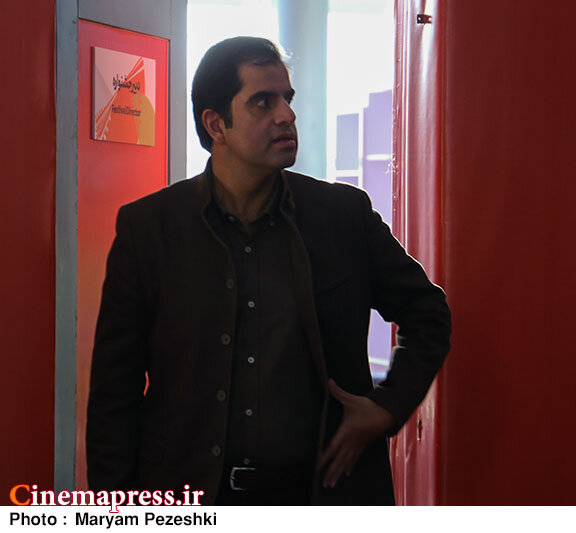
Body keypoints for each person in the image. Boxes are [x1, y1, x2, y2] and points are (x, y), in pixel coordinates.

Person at [86, 36, 450, 505]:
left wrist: (387, 408)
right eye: (263, 102)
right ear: (216, 124)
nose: (286, 115)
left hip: (323, 497)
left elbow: (428, 313)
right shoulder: (150, 229)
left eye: (287, 98)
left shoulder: (342, 216)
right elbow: (114, 393)